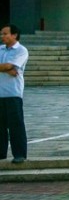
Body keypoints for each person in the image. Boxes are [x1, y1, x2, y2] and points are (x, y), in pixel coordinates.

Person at [0, 24, 30, 164]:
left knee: (15, 125)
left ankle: (19, 154)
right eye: (1, 34)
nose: (2, 36)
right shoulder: (0, 49)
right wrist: (6, 68)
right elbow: (7, 67)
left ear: (14, 35)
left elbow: (11, 66)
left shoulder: (21, 50)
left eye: (5, 33)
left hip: (13, 93)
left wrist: (8, 67)